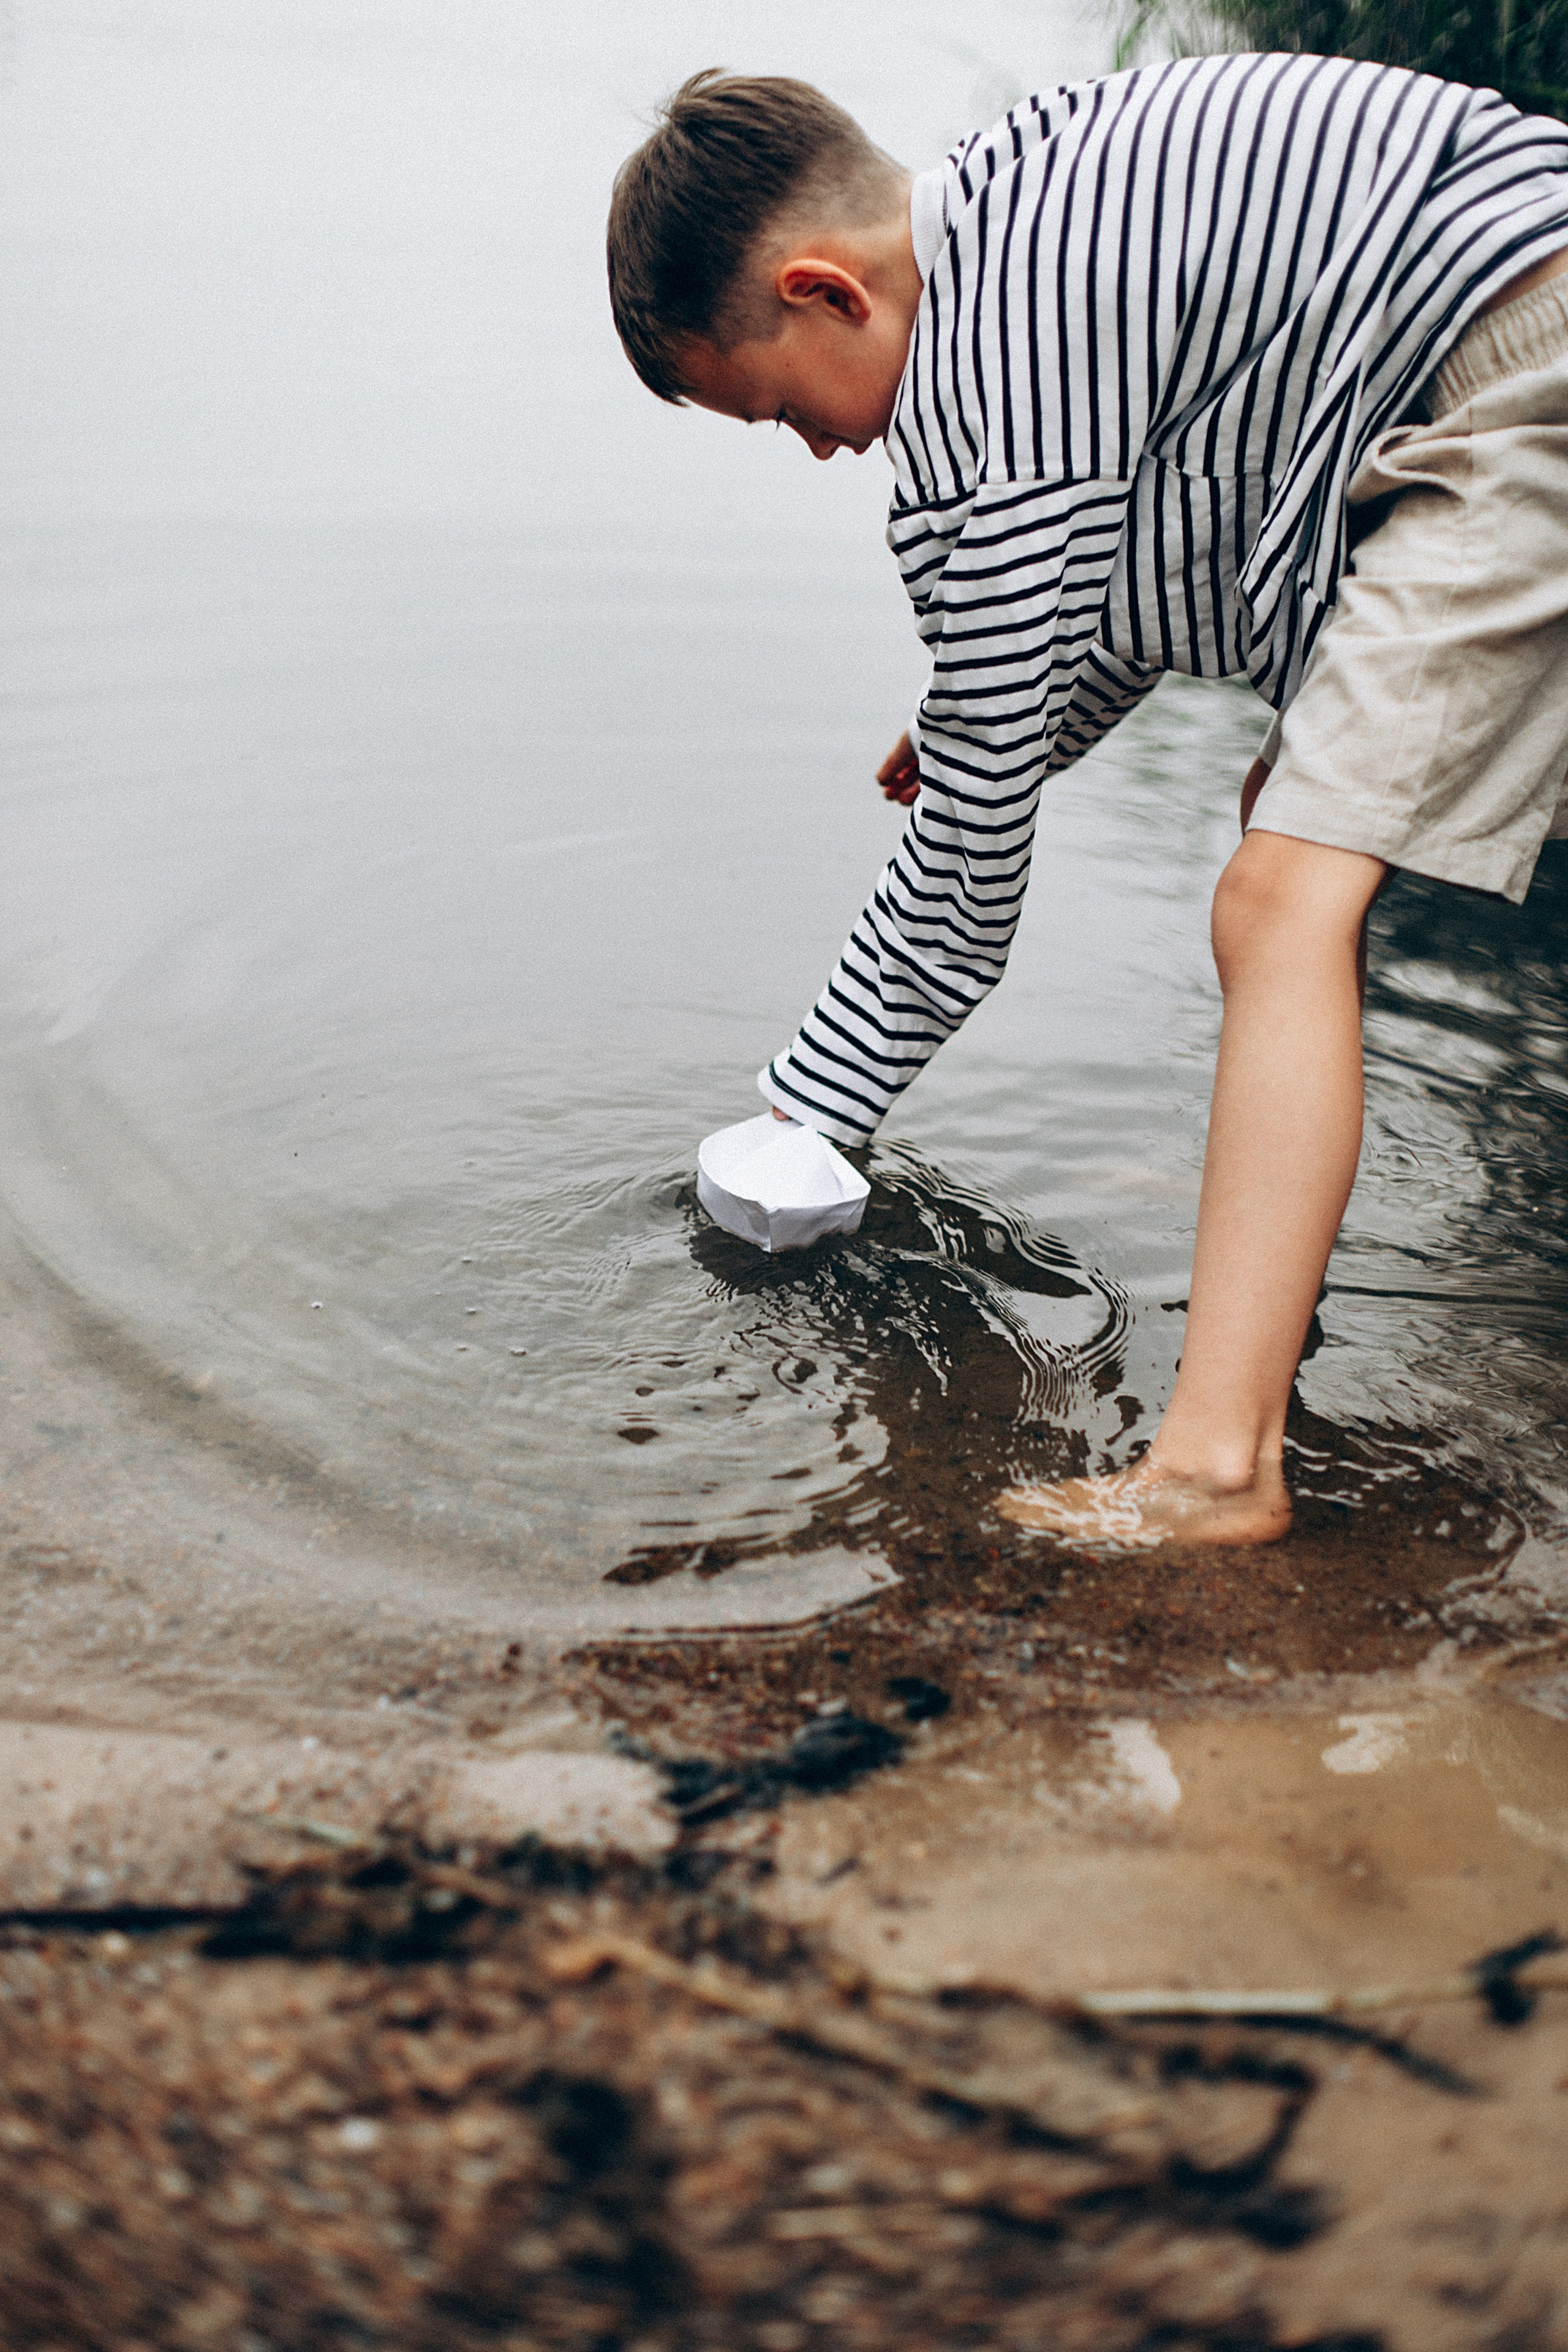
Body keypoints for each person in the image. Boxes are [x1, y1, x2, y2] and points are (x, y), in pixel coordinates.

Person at [606, 58, 1568, 1547]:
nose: (825, 451)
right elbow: (1152, 561)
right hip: (1484, 326)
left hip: (1523, 360)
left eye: (785, 412)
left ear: (825, 291)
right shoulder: (1030, 211)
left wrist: (804, 1118)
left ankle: (1214, 1473)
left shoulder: (993, 381)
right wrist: (999, 720)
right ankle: (1271, 1342)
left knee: (1276, 897)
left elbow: (960, 892)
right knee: (1289, 814)